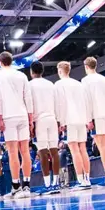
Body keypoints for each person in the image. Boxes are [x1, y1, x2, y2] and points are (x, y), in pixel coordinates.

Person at [0, 51, 35, 195]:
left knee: (12, 153)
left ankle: (16, 187)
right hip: (23, 115)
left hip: (8, 116)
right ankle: (27, 185)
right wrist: (30, 118)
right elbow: (28, 97)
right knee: (25, 151)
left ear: (0, 61)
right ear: (11, 61)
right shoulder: (22, 75)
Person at [81, 57, 105, 184]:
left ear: (86, 67)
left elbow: (86, 101)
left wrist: (88, 119)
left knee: (102, 146)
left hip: (97, 115)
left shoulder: (85, 81)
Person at [54, 61, 92, 188]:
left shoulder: (59, 84)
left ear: (60, 71)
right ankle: (87, 178)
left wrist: (61, 121)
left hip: (69, 120)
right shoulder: (79, 84)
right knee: (83, 149)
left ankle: (81, 180)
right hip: (81, 119)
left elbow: (60, 104)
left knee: (75, 150)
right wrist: (88, 119)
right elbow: (86, 102)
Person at [28, 62, 61, 191]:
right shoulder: (50, 84)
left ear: (32, 72)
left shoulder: (29, 85)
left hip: (39, 120)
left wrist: (30, 124)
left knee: (42, 152)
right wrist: (58, 121)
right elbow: (57, 104)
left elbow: (30, 105)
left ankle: (47, 184)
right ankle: (56, 182)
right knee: (54, 151)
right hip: (52, 118)